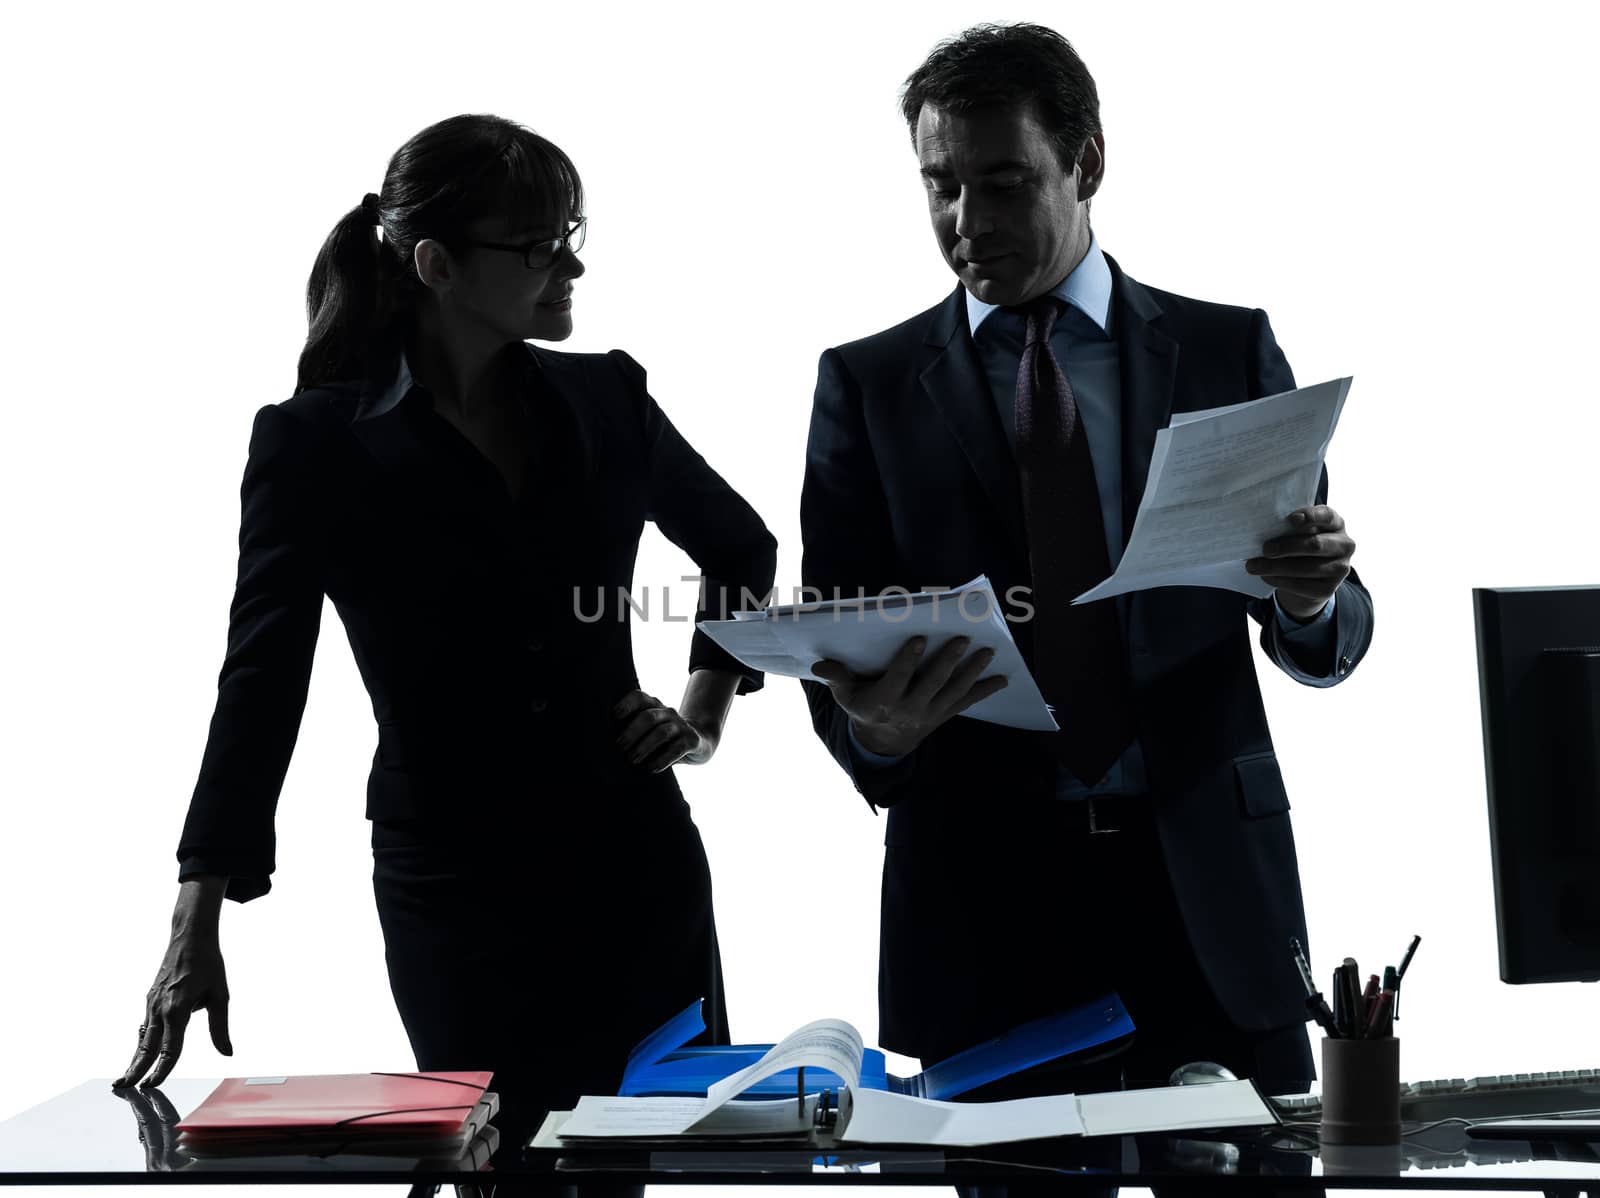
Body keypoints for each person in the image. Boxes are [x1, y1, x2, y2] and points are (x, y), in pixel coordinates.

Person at [113, 114, 778, 1159]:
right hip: (456, 883)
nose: (573, 262)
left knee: (639, 1161)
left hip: (634, 861)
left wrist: (702, 719)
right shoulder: (316, 440)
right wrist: (194, 918)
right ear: (435, 263)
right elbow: (262, 676)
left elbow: (739, 544)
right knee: (495, 1162)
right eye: (539, 243)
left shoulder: (606, 398)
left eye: (573, 230)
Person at [800, 20, 1374, 1137]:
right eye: (940, 187)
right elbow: (835, 645)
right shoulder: (865, 385)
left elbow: (1329, 618)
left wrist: (1306, 600)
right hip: (982, 907)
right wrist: (873, 731)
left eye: (1004, 183)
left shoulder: (1225, 350)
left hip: (1205, 898)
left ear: (1088, 164)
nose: (968, 223)